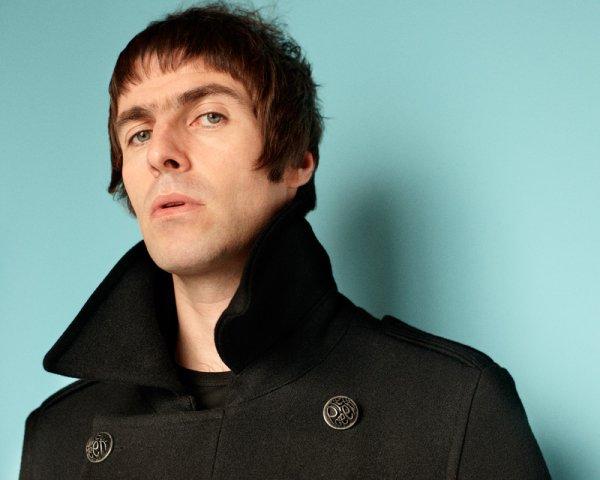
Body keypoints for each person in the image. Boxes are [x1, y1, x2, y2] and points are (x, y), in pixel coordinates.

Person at [18, 2, 552, 479]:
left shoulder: (449, 406)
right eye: (138, 133)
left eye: (208, 116)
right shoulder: (59, 434)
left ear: (296, 160)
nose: (161, 152)